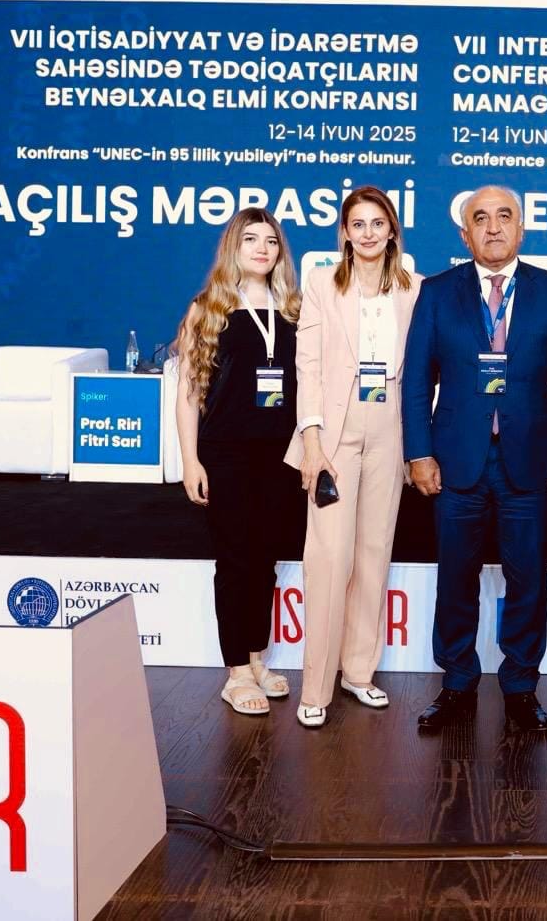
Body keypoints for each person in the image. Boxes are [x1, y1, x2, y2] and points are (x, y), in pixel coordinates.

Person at [402, 185, 547, 733]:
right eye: (480, 219)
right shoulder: (437, 292)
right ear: (466, 235)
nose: (493, 227)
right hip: (456, 461)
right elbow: (417, 381)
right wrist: (419, 452)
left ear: (521, 229)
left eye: (505, 216)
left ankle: (521, 686)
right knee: (455, 577)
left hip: (530, 462)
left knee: (527, 579)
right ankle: (457, 681)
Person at [285, 186, 423, 728]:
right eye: (357, 224)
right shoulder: (323, 283)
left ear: (392, 231)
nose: (367, 233)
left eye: (377, 223)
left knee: (373, 553)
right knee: (328, 559)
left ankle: (359, 672)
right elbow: (308, 366)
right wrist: (312, 441)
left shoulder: (413, 287)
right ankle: (316, 686)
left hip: (390, 426)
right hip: (334, 432)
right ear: (344, 232)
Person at [175, 207, 305, 717]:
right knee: (234, 561)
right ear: (234, 247)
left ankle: (256, 659)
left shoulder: (293, 309)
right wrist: (191, 460)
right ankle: (235, 673)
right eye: (251, 239)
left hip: (280, 454)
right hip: (225, 453)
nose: (262, 249)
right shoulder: (208, 308)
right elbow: (189, 392)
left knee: (265, 559)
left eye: (271, 241)